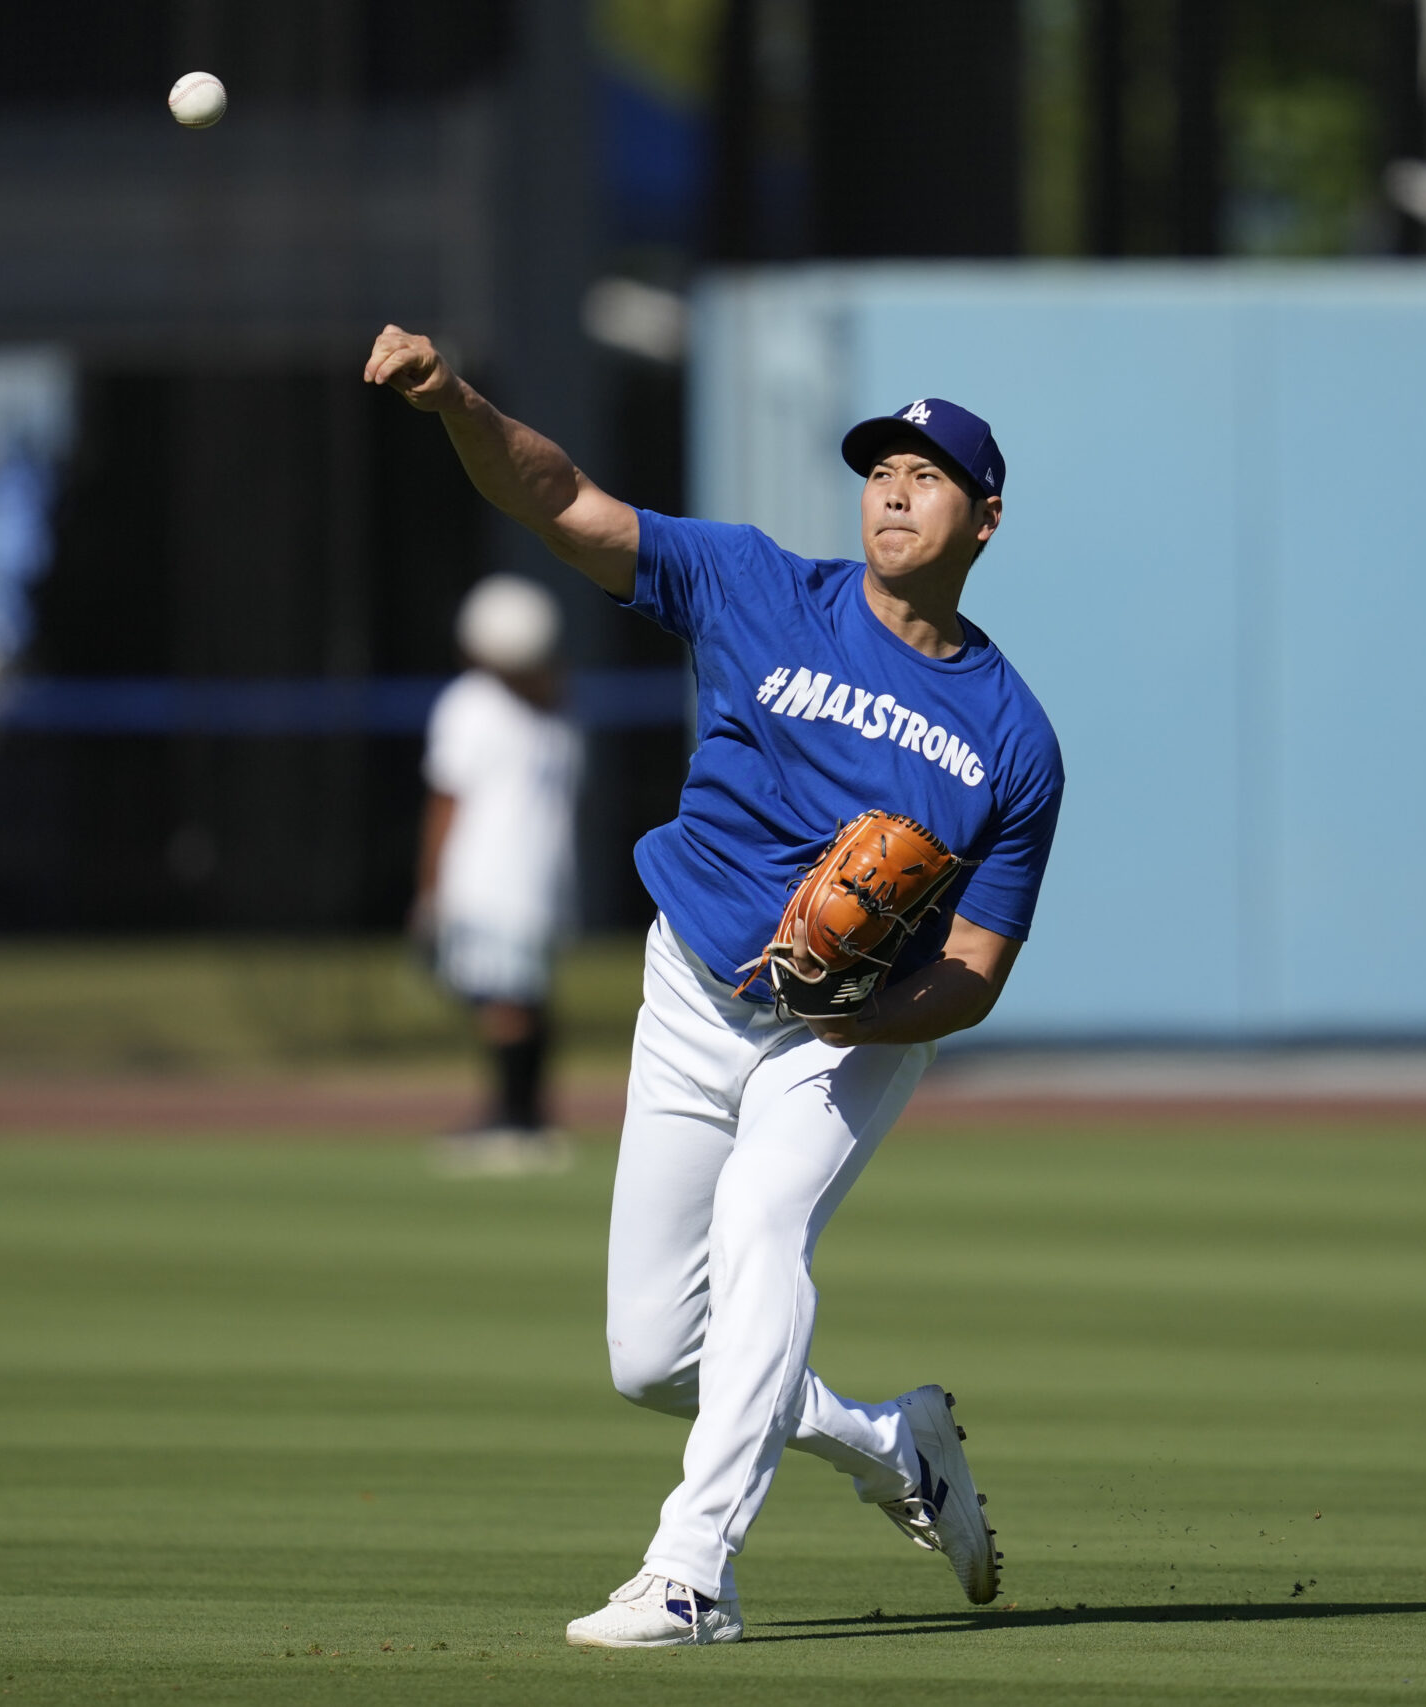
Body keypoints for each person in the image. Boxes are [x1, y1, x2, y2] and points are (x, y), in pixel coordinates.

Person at [365, 327, 1064, 1648]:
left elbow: (972, 968)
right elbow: (561, 496)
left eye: (930, 472)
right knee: (655, 1354)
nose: (897, 487)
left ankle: (693, 1573)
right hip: (689, 986)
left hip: (844, 1032)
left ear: (986, 516)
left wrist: (867, 1015)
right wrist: (454, 396)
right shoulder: (753, 583)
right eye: (882, 467)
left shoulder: (1013, 737)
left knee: (759, 1234)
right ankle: (889, 1445)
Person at [418, 573, 584, 1177]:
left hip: (488, 880)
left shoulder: (470, 703)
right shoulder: (558, 709)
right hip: (539, 882)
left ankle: (514, 1122)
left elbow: (446, 802)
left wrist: (429, 889)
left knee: (504, 1003)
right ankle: (526, 1114)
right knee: (524, 999)